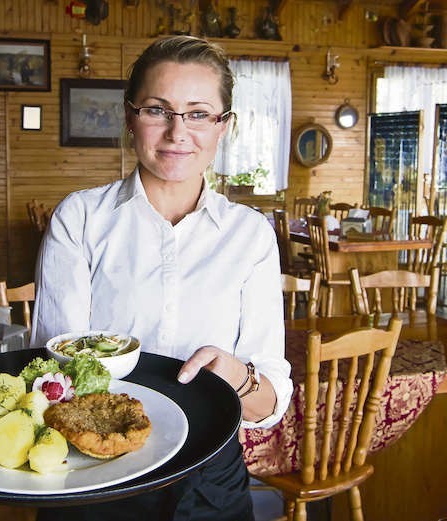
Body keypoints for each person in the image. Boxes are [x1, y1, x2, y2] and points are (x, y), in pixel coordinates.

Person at [30, 35, 292, 521]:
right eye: (157, 109)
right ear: (130, 118)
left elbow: (265, 403)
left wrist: (238, 375)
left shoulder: (251, 235)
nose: (177, 132)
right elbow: (54, 373)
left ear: (224, 127)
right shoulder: (81, 218)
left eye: (198, 113)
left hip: (210, 478)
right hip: (90, 469)